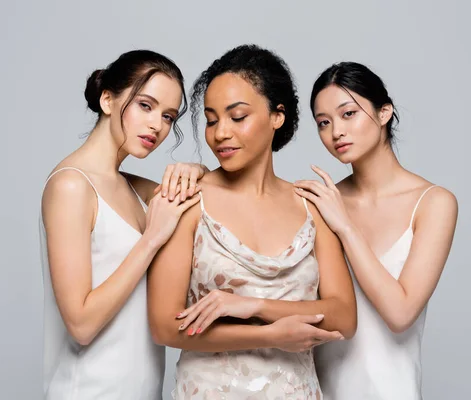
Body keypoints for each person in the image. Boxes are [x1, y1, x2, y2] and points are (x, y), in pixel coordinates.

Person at [147, 45, 357, 399]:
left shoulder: (311, 206)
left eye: (237, 117)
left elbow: (343, 317)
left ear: (278, 116)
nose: (220, 133)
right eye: (211, 120)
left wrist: (254, 307)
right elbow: (164, 326)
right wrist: (269, 334)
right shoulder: (187, 201)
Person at [40, 49, 204, 399]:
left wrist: (196, 170)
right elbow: (81, 324)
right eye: (146, 105)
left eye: (169, 116)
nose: (157, 125)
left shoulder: (134, 188)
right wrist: (151, 241)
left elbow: (206, 193)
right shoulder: (71, 186)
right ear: (107, 99)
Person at [296, 61, 458, 400]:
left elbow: (400, 313)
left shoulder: (433, 203)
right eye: (323, 123)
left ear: (384, 112)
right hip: (315, 390)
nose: (335, 131)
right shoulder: (323, 202)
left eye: (348, 114)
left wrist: (344, 226)